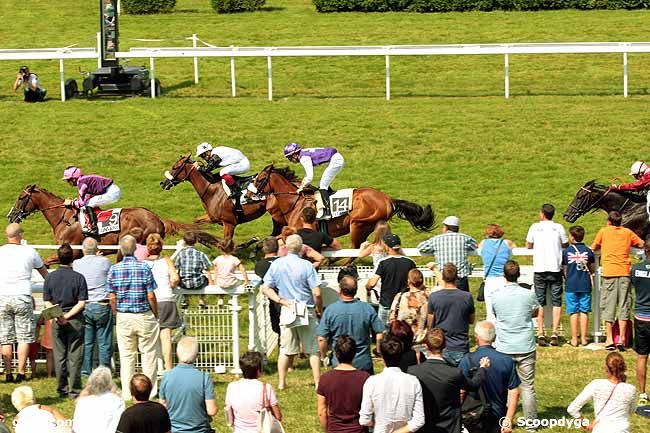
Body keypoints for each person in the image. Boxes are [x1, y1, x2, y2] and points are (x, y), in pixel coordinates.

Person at [261, 234, 322, 389]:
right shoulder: (307, 265)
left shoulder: (276, 264)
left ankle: (282, 382)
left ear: (286, 247)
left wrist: (280, 301)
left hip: (287, 308)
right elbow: (317, 292)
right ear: (301, 248)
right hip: (306, 308)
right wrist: (319, 308)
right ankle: (317, 382)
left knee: (286, 349)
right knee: (313, 349)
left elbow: (266, 288)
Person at [108, 234, 161, 401]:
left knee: (126, 355)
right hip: (143, 314)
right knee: (149, 353)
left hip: (124, 315)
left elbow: (112, 296)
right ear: (136, 249)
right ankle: (149, 391)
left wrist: (116, 312)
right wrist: (155, 313)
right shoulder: (144, 267)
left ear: (121, 250)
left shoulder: (114, 269)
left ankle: (127, 392)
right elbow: (151, 295)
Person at [408, 328, 490, 433]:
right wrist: (482, 369)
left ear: (426, 346)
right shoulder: (454, 373)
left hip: (424, 425)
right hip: (449, 426)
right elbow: (474, 385)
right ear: (445, 345)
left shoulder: (413, 371)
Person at [491, 260, 540, 432]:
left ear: (504, 276)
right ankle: (531, 424)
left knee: (504, 386)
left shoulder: (496, 295)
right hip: (525, 345)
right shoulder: (528, 294)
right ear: (518, 275)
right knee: (527, 386)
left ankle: (503, 419)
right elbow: (535, 311)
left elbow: (497, 314)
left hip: (504, 346)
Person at [0, 223, 48, 383]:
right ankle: (21, 372)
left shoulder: (1, 251)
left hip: (3, 296)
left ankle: (8, 373)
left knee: (5, 337)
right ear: (19, 235)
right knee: (24, 336)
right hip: (22, 296)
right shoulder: (29, 252)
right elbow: (44, 273)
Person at [592, 211, 644, 351]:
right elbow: (641, 243)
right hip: (624, 273)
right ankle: (621, 338)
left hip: (609, 273)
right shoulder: (627, 232)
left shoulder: (604, 231)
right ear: (621, 221)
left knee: (608, 305)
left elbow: (594, 246)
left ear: (609, 221)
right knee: (624, 305)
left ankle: (609, 338)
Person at [43, 243, 88, 399]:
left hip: (57, 319)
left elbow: (47, 301)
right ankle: (74, 390)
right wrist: (67, 316)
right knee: (75, 355)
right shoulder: (79, 278)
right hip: (75, 320)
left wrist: (59, 316)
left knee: (59, 354)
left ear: (58, 258)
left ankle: (62, 388)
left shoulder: (50, 277)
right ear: (72, 259)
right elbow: (82, 302)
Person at [459, 321, 520, 433]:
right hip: (497, 416)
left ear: (476, 337)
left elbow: (461, 391)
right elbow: (514, 392)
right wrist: (508, 420)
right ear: (494, 337)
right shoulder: (506, 361)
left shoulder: (467, 360)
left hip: (473, 416)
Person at [317, 276, 385, 374]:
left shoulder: (330, 310)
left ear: (339, 290)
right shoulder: (367, 308)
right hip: (363, 363)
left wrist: (324, 357)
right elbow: (380, 334)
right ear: (356, 290)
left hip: (339, 364)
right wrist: (378, 350)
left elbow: (321, 338)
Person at [359, 335, 425, 433]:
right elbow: (419, 420)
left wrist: (380, 424)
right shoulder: (413, 382)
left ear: (382, 357)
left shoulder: (372, 382)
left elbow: (364, 420)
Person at [526, 203, 569, 346]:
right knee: (557, 301)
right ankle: (555, 332)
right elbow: (565, 244)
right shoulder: (559, 227)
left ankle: (540, 332)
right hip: (555, 268)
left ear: (542, 214)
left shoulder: (534, 227)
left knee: (540, 301)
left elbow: (528, 245)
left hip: (539, 268)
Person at [73, 237, 113, 375]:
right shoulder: (105, 262)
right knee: (104, 341)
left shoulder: (77, 263)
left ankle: (85, 371)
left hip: (85, 305)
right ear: (97, 249)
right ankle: (104, 370)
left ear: (83, 250)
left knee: (87, 341)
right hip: (102, 303)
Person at [567, 352, 637, 433]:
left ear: (606, 368)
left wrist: (585, 424)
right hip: (622, 429)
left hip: (601, 429)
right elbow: (632, 410)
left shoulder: (596, 384)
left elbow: (572, 409)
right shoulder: (631, 389)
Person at [160, 337, 217, 433]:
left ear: (177, 354)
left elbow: (162, 406)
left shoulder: (167, 376)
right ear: (196, 356)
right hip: (200, 430)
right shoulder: (204, 378)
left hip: (174, 429)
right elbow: (212, 411)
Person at [317, 335, 370, 433]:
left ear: (336, 354)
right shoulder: (365, 378)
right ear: (355, 353)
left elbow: (322, 411)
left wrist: (327, 429)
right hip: (359, 429)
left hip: (334, 429)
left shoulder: (325, 378)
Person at [144, 233, 181, 371]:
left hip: (149, 299)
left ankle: (151, 367)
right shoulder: (166, 260)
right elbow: (175, 278)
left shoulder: (143, 263)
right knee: (166, 337)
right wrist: (171, 283)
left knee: (149, 336)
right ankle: (168, 367)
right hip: (166, 298)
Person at [426, 263, 475, 367]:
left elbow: (430, 323)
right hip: (461, 346)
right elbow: (471, 320)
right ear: (456, 277)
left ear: (442, 277)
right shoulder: (467, 297)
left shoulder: (434, 297)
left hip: (441, 347)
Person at [283, 142, 345, 219]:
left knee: (322, 186)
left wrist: (301, 187)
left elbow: (309, 177)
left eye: (290, 157)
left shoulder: (303, 158)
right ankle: (332, 197)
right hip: (336, 158)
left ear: (295, 154)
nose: (290, 160)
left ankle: (328, 213)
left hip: (336, 160)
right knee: (322, 185)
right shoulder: (304, 153)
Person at [366, 233, 416, 327]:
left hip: (386, 303)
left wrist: (367, 287)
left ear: (387, 247)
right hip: (403, 303)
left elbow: (372, 283)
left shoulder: (383, 263)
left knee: (384, 332)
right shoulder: (410, 262)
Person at [225, 351, 282, 433]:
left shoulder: (231, 387)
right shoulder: (266, 388)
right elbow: (278, 416)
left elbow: (229, 413)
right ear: (258, 370)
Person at [417, 215, 478, 292]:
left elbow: (421, 247)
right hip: (460, 279)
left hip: (443, 279)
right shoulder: (465, 238)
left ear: (446, 227)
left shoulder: (437, 239)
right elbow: (475, 245)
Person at [62, 166, 121, 235]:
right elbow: (86, 197)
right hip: (112, 190)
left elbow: (81, 203)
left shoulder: (82, 183)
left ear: (74, 178)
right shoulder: (83, 180)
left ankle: (94, 228)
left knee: (89, 204)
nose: (68, 182)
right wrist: (76, 201)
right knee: (89, 202)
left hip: (112, 192)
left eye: (69, 180)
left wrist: (71, 203)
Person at [562, 225, 596, 348]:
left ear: (571, 237)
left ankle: (574, 338)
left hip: (571, 284)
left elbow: (564, 269)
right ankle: (584, 338)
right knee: (584, 311)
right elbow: (592, 269)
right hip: (585, 284)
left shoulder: (566, 252)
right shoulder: (588, 251)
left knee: (573, 311)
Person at [478, 224, 514, 322]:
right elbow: (513, 247)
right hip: (503, 280)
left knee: (490, 313)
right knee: (504, 311)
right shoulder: (507, 243)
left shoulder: (483, 243)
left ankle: (491, 334)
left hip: (489, 280)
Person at [73, 366, 125, 433]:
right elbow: (117, 426)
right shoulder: (118, 401)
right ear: (110, 382)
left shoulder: (82, 401)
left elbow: (76, 427)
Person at [630, 238, 650, 406]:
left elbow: (633, 285)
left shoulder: (636, 269)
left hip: (641, 317)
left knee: (642, 357)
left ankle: (642, 393)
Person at [175, 231, 213, 309]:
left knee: (182, 278)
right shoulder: (200, 254)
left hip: (184, 285)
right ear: (196, 241)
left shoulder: (181, 254)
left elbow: (177, 268)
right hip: (198, 284)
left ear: (185, 242)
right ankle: (202, 299)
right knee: (205, 278)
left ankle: (186, 299)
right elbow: (207, 269)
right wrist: (211, 281)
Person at [389, 268, 429, 342]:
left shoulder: (400, 296)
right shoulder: (428, 296)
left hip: (403, 337)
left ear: (408, 281)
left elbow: (392, 317)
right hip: (423, 338)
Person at [255, 237, 281, 335]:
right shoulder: (284, 262)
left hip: (274, 299)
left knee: (277, 328)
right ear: (277, 248)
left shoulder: (260, 265)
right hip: (289, 298)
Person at [214, 238, 250, 306]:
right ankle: (231, 298)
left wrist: (215, 282)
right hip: (231, 283)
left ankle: (220, 299)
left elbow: (216, 272)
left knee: (222, 280)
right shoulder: (234, 259)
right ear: (233, 248)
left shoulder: (217, 259)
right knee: (239, 282)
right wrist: (246, 281)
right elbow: (243, 269)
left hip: (220, 283)